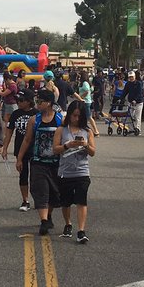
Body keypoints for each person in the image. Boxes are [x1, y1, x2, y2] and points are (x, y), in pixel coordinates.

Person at [17, 91, 64, 236]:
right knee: (40, 190)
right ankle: (43, 221)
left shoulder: (59, 119)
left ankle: (48, 216)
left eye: (40, 101)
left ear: (49, 103)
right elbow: (27, 139)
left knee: (54, 193)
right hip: (38, 161)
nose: (37, 104)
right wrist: (20, 158)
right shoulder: (34, 120)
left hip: (55, 162)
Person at [54, 100, 95, 243]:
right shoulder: (61, 130)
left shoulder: (87, 131)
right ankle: (68, 223)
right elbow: (55, 149)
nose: (76, 119)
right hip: (65, 172)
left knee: (81, 201)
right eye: (73, 116)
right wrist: (67, 145)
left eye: (79, 116)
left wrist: (85, 146)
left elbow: (93, 152)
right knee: (65, 202)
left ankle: (81, 230)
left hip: (82, 171)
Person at [3, 90, 36, 212]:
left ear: (29, 101)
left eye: (21, 100)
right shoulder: (16, 114)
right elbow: (9, 132)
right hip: (20, 149)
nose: (19, 102)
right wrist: (5, 148)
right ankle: (25, 200)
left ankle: (38, 199)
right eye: (17, 100)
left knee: (36, 176)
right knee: (23, 175)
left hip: (35, 149)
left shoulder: (36, 113)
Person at [124, 70, 143, 135]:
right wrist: (120, 99)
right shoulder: (128, 84)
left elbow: (139, 93)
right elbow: (125, 92)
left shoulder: (138, 83)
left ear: (134, 77)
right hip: (130, 102)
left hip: (138, 102)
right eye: (130, 77)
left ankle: (138, 129)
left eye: (132, 77)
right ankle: (131, 129)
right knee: (129, 115)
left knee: (137, 116)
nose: (131, 78)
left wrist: (135, 100)